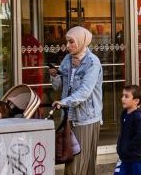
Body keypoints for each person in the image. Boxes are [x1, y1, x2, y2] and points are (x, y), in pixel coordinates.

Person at [52, 26, 104, 175]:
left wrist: (64, 102)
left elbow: (84, 92)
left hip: (86, 118)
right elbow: (58, 86)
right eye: (67, 42)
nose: (68, 46)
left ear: (82, 41)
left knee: (80, 163)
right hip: (68, 117)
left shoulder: (92, 62)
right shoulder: (67, 59)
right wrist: (55, 75)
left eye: (71, 42)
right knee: (73, 159)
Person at [116, 84, 141, 175]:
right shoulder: (124, 114)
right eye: (122, 96)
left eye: (126, 96)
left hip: (135, 158)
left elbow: (139, 137)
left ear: (136, 101)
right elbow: (122, 133)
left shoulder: (138, 117)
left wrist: (128, 149)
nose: (122, 99)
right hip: (123, 157)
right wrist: (119, 147)